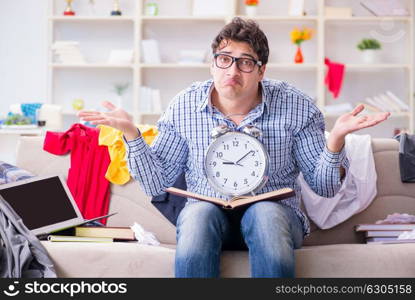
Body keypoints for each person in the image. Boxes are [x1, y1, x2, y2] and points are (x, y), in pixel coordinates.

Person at [78, 17, 390, 278]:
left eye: (245, 63)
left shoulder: (296, 106)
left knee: (266, 214)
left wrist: (335, 141)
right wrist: (132, 135)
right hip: (207, 216)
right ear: (213, 64)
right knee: (199, 214)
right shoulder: (184, 105)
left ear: (261, 70)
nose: (232, 71)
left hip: (276, 218)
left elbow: (324, 187)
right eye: (224, 60)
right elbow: (157, 182)